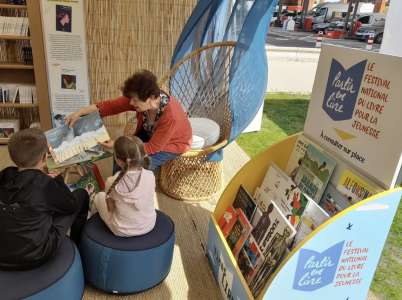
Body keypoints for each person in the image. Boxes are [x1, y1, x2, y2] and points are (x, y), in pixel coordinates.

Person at [66, 69, 192, 171]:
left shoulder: (171, 117)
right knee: (121, 154)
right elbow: (109, 106)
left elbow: (153, 147)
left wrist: (116, 143)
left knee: (134, 168)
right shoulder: (141, 99)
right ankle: (116, 184)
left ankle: (130, 193)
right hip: (150, 133)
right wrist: (79, 113)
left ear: (151, 98)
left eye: (135, 100)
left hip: (172, 143)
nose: (131, 103)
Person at [0, 128, 89, 270]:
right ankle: (78, 245)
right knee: (81, 195)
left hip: (2, 255)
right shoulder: (46, 184)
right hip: (35, 255)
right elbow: (70, 206)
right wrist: (58, 179)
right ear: (43, 158)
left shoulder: (4, 175)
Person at [92, 136, 156, 236]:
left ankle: (92, 223)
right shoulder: (150, 175)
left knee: (98, 196)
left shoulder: (111, 181)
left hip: (121, 230)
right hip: (149, 224)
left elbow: (111, 209)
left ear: (118, 160)